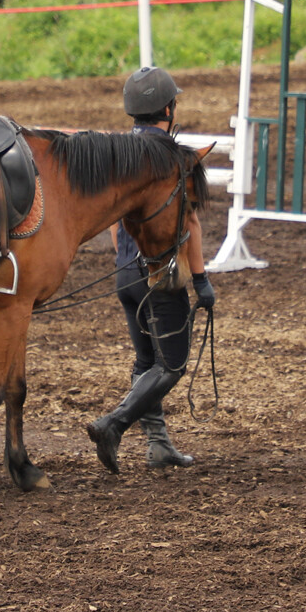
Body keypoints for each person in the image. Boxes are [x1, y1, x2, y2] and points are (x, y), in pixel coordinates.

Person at [86, 66, 216, 473]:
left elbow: (111, 219)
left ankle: (158, 444)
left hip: (125, 273)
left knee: (146, 363)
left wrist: (126, 260)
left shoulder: (120, 155)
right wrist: (201, 281)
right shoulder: (175, 159)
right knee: (172, 363)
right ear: (167, 107)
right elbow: (190, 223)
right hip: (161, 275)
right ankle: (113, 423)